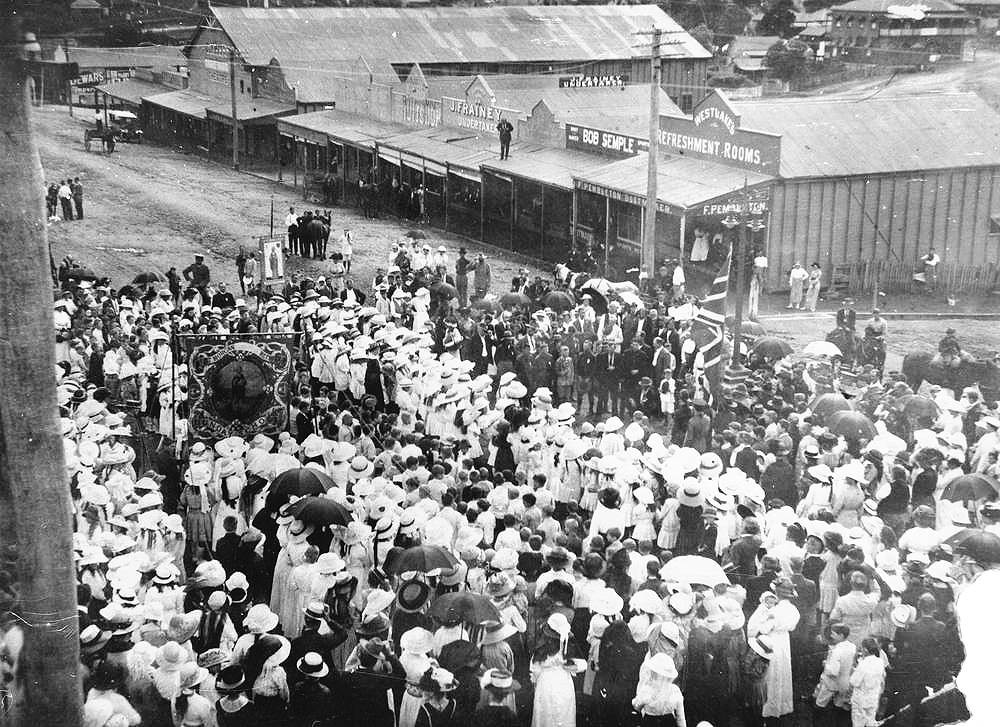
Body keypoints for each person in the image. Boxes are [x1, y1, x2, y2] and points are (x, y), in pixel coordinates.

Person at [849, 637, 885, 727]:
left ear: (865, 650)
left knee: (858, 724)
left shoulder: (863, 664)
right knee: (870, 723)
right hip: (873, 698)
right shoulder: (880, 662)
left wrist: (853, 670)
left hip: (860, 699)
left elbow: (854, 682)